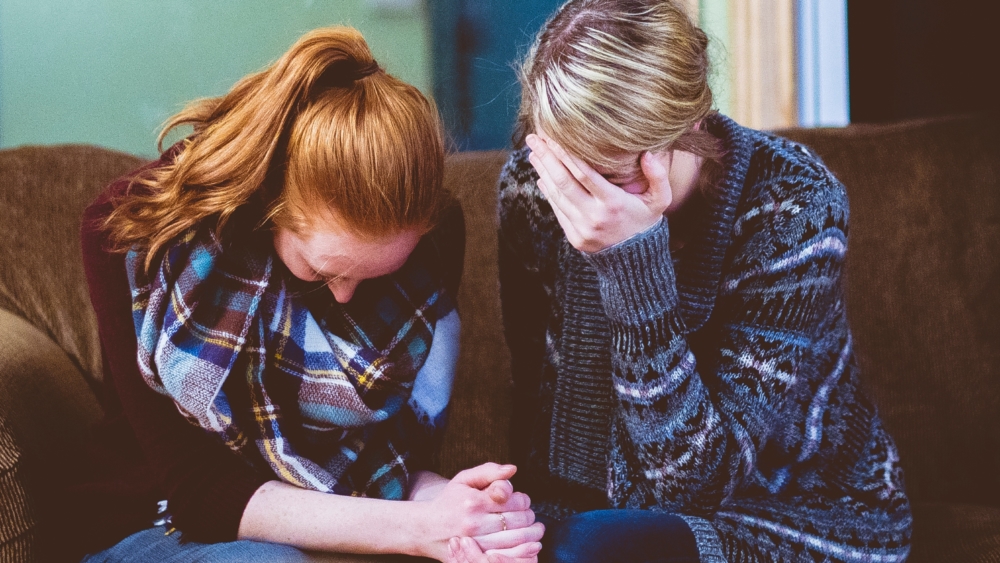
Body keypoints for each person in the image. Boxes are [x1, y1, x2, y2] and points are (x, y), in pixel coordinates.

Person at [73, 27, 543, 563]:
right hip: (156, 521)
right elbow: (199, 494)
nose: (346, 299)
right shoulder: (132, 234)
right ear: (270, 203)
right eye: (323, 272)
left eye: (375, 276)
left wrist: (457, 509)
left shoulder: (432, 242)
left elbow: (389, 462)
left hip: (334, 519)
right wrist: (417, 529)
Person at [491, 1, 914, 562]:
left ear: (690, 124)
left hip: (801, 511)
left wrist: (632, 266)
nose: (581, 195)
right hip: (603, 515)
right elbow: (537, 415)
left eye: (611, 173)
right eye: (566, 164)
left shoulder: (795, 207)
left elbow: (695, 488)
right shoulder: (534, 188)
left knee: (593, 546)